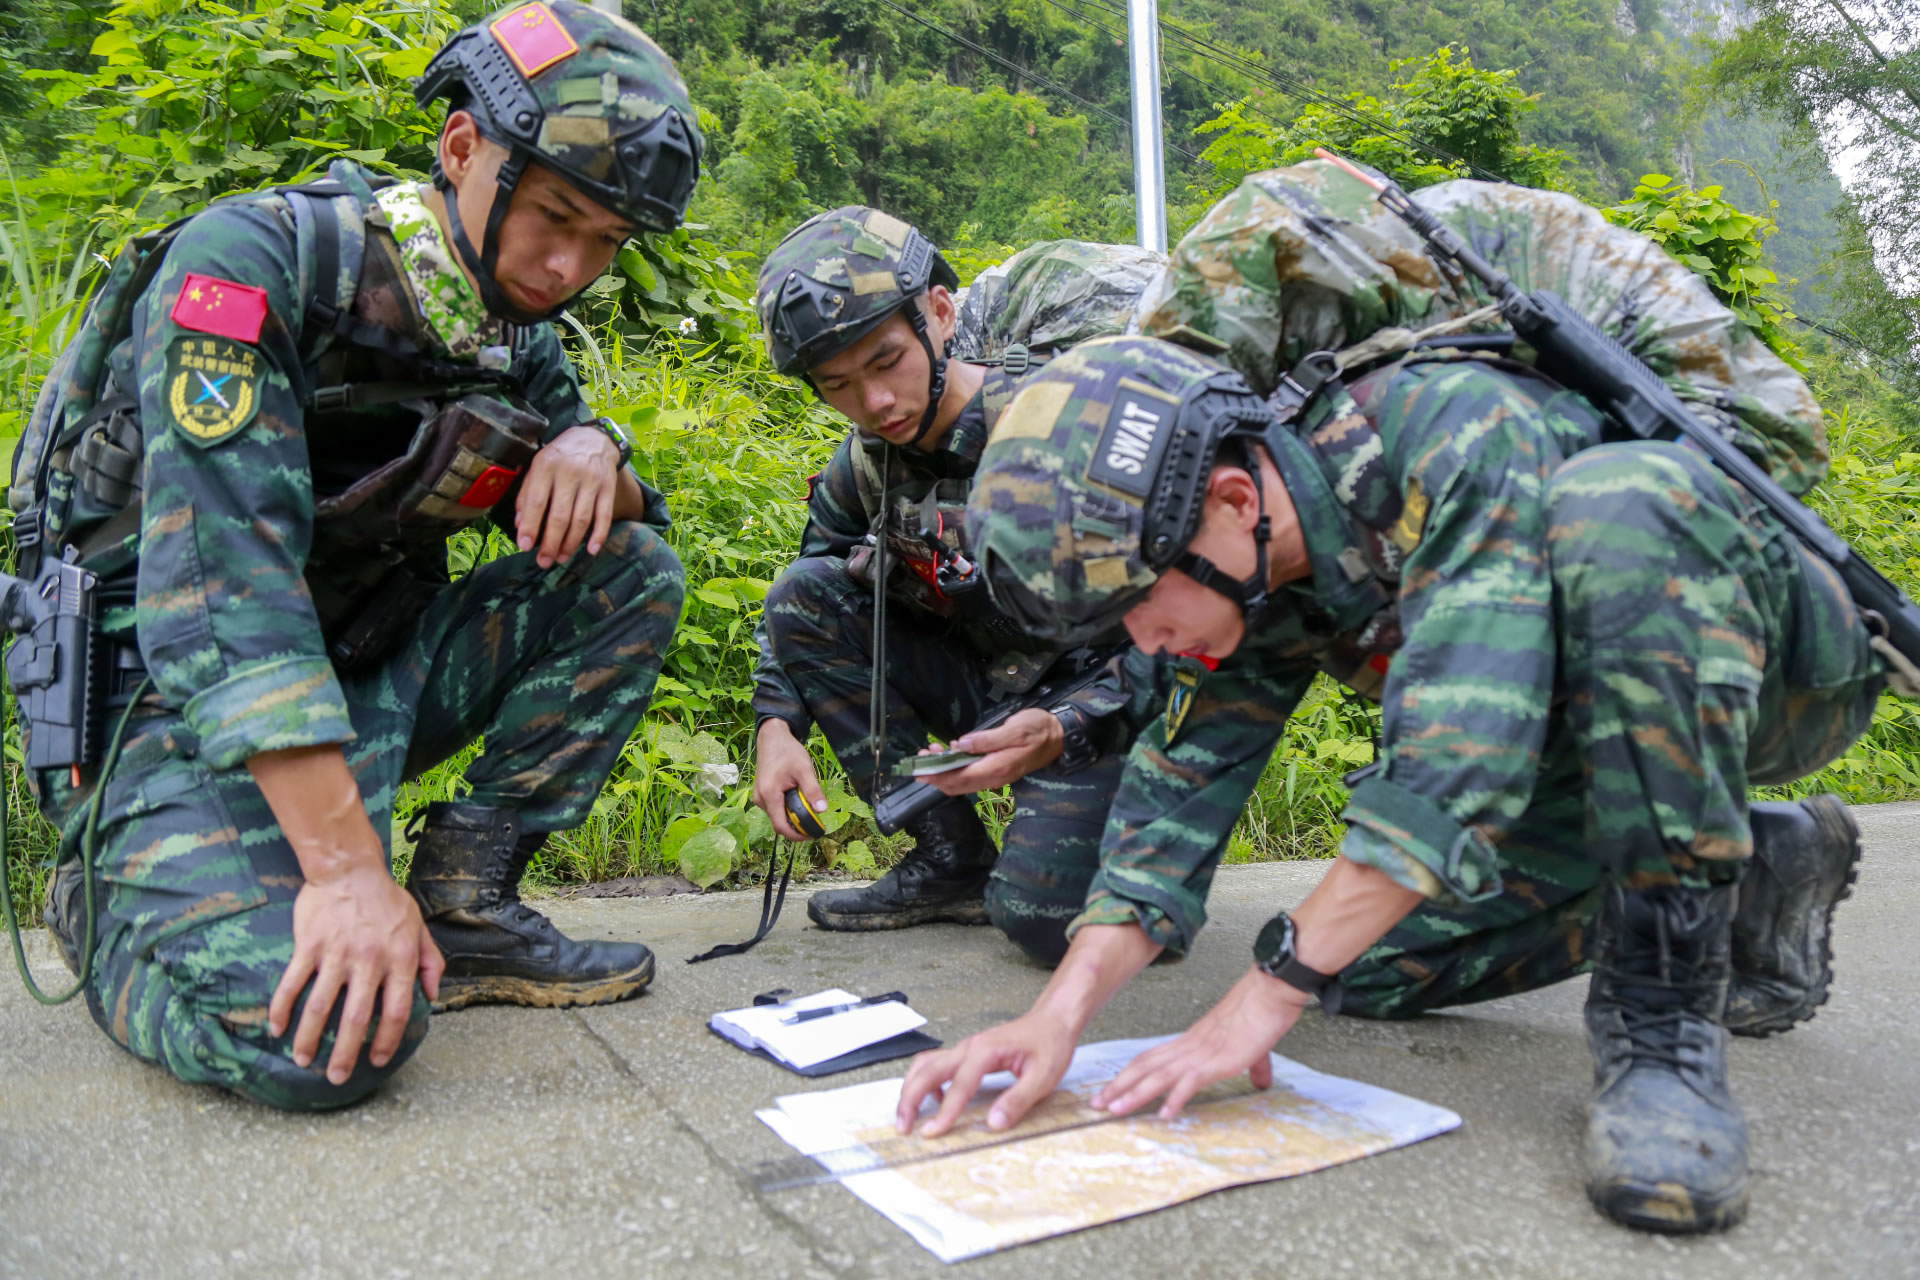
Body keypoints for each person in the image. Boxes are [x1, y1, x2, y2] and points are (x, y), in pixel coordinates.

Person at [899, 161, 1880, 1235]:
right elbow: (1170, 803)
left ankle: (1660, 1027)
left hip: (1772, 659)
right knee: (1350, 964)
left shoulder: (1454, 428)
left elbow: (1455, 766)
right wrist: (1055, 1019)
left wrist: (1255, 1000)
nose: (1140, 639)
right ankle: (1744, 866)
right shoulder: (1246, 553)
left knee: (1622, 505)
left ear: (1230, 496)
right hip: (1587, 739)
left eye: (1138, 602)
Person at [17, 0, 703, 1110]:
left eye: (607, 244)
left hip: (358, 672)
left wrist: (592, 442)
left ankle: (465, 903)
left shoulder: (510, 332)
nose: (569, 265)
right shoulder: (253, 266)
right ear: (463, 148)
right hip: (167, 709)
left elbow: (623, 513)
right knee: (325, 1044)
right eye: (557, 216)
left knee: (626, 564)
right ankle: (105, 898)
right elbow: (221, 596)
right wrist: (344, 874)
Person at [748, 209, 1161, 956]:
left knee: (1048, 925)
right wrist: (776, 724)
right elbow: (810, 579)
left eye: (886, 362)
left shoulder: (1063, 426)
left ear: (939, 314)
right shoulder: (870, 462)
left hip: (1110, 705)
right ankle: (950, 861)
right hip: (997, 687)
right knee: (806, 593)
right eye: (836, 384)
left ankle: (1139, 842)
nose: (873, 403)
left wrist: (1067, 725)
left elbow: (1181, 634)